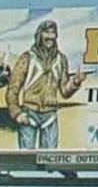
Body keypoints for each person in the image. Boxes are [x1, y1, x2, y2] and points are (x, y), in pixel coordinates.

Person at [6, 20, 86, 149]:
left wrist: (75, 83)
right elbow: (13, 89)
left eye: (53, 33)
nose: (49, 36)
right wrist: (17, 113)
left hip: (50, 115)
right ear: (39, 35)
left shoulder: (61, 60)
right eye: (46, 32)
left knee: (50, 158)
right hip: (29, 114)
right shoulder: (27, 58)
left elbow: (65, 92)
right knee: (26, 159)